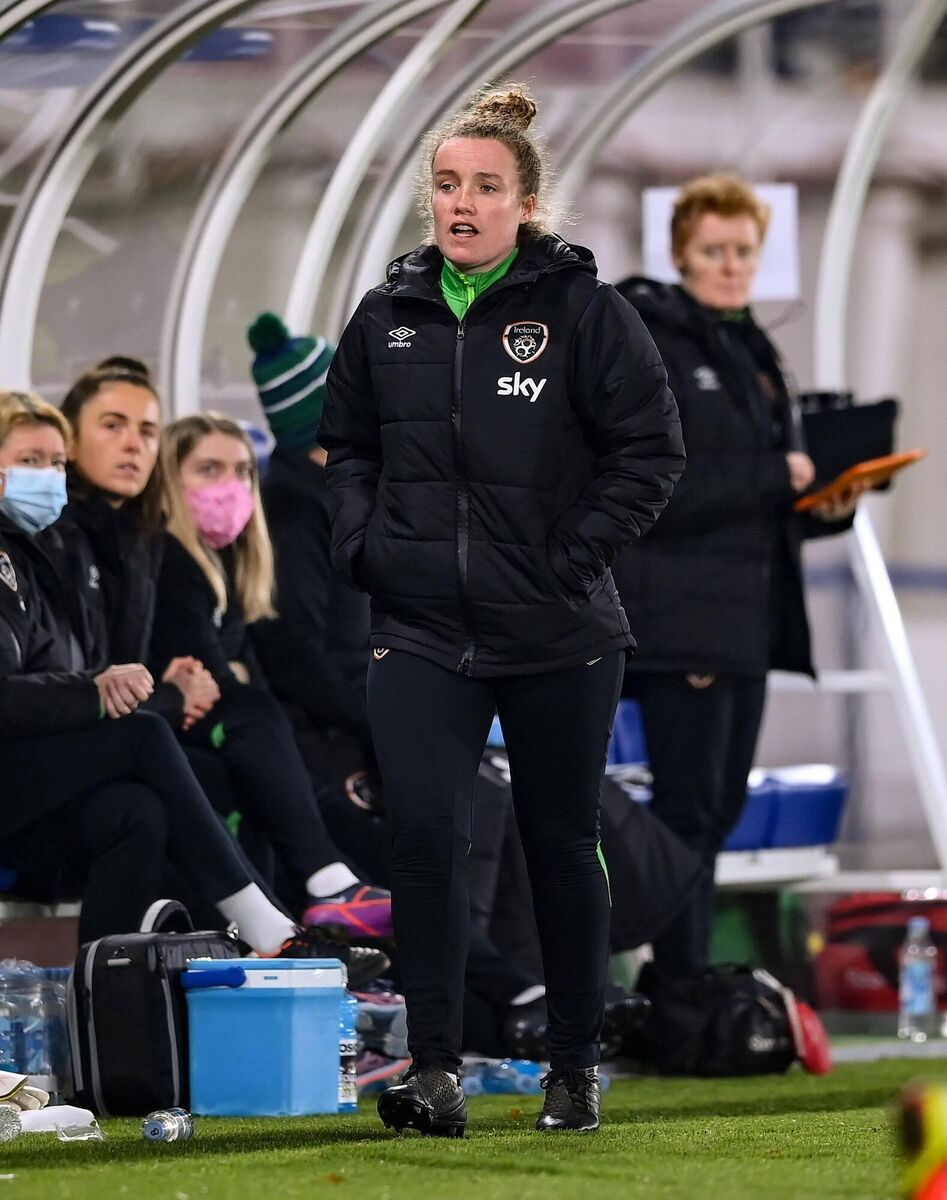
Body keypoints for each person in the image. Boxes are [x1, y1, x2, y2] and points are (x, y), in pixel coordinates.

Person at [319, 84, 684, 1136]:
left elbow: (649, 451)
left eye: (483, 186)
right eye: (444, 185)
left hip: (559, 629)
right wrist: (365, 547)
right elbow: (345, 449)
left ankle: (571, 1070)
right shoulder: (386, 316)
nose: (459, 203)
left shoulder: (581, 311)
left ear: (525, 203)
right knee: (424, 843)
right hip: (422, 628)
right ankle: (432, 1071)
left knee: (560, 841)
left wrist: (569, 558)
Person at [0, 390, 385, 982]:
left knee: (137, 812)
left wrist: (110, 691)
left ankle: (107, 1010)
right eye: (30, 461)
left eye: (56, 464)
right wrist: (101, 691)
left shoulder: (46, 554)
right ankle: (273, 930)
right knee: (151, 739)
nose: (49, 476)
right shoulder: (60, 553)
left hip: (36, 773)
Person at [612, 174, 861, 1025]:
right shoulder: (655, 337)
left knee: (713, 810)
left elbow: (754, 500)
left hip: (743, 618)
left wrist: (821, 504)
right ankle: (678, 984)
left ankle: (688, 978)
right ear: (679, 252)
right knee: (686, 809)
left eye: (742, 251)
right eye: (713, 250)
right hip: (681, 620)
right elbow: (655, 486)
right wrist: (770, 476)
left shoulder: (750, 346)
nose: (729, 265)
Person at [149, 409, 392, 939]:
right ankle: (324, 894)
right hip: (180, 737)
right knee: (262, 750)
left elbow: (235, 671)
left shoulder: (230, 565)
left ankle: (342, 912)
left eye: (241, 472)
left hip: (235, 737)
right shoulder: (170, 560)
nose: (231, 486)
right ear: (169, 478)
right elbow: (215, 683)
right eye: (209, 470)